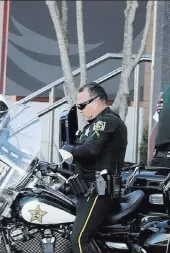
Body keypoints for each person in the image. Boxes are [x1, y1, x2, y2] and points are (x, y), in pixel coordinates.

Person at [61, 82, 128, 253]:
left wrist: (69, 149)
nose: (81, 109)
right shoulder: (92, 124)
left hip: (100, 190)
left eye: (82, 105)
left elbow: (91, 149)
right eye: (78, 106)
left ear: (97, 100)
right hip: (87, 189)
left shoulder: (108, 121)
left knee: (79, 238)